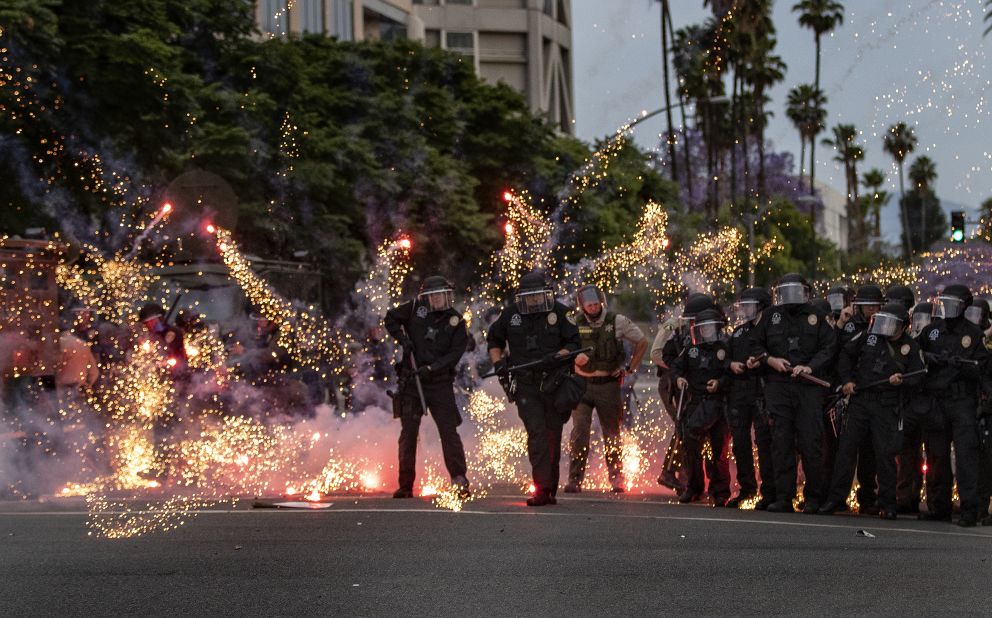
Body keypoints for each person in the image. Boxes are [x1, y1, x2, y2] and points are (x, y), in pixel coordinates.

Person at [819, 303, 925, 519]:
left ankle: (887, 503)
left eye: (892, 324)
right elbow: (845, 355)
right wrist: (847, 380)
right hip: (860, 400)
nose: (886, 327)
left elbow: (919, 374)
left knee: (885, 455)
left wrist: (901, 380)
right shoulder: (869, 336)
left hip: (886, 404)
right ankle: (836, 498)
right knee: (846, 450)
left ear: (903, 326)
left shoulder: (910, 347)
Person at [488, 270, 581, 506]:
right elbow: (494, 340)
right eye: (529, 297)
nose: (534, 300)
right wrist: (498, 363)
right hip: (526, 384)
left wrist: (558, 356)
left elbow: (574, 343)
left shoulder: (560, 313)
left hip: (554, 380)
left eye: (538, 296)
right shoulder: (510, 315)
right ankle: (541, 488)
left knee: (553, 434)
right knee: (537, 434)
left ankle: (550, 489)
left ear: (546, 294)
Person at [749, 273, 837, 513]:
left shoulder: (816, 316)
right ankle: (783, 497)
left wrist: (810, 366)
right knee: (781, 442)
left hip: (808, 387)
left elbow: (829, 347)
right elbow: (755, 344)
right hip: (778, 386)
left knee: (811, 443)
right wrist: (770, 360)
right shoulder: (769, 316)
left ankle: (813, 498)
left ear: (806, 292)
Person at [384, 275, 471, 499]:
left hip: (440, 384)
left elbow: (454, 355)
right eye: (432, 296)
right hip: (412, 382)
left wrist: (432, 368)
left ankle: (459, 478)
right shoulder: (414, 309)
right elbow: (390, 318)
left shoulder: (456, 321)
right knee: (408, 433)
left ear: (447, 295)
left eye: (440, 295)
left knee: (449, 432)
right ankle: (405, 484)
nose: (437, 300)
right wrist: (403, 340)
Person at [916, 284, 989, 526]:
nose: (946, 308)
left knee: (966, 457)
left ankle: (969, 510)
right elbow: (913, 352)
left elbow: (982, 368)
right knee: (937, 457)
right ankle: (939, 507)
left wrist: (963, 366)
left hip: (962, 402)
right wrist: (928, 358)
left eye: (951, 303)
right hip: (937, 401)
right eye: (943, 302)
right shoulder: (932, 331)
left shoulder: (974, 334)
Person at [564, 284, 647, 493]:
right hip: (582, 386)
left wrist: (630, 368)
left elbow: (642, 341)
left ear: (601, 302)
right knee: (579, 433)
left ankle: (617, 478)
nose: (592, 307)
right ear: (582, 306)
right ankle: (574, 479)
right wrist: (573, 359)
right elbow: (560, 349)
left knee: (612, 433)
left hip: (608, 386)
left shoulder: (617, 321)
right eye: (588, 304)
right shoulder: (573, 323)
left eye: (595, 303)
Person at [650, 293, 716, 493]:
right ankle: (669, 472)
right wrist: (678, 371)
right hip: (673, 383)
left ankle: (687, 477)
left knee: (694, 428)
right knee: (683, 426)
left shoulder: (709, 327)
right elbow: (656, 354)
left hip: (692, 384)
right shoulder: (676, 327)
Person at [671, 308, 731, 505]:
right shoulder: (691, 349)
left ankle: (720, 492)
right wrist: (679, 378)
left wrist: (720, 383)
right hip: (695, 403)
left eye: (709, 327)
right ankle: (694, 488)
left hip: (719, 404)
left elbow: (732, 372)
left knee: (718, 450)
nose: (705, 331)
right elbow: (677, 367)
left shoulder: (726, 347)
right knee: (691, 449)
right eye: (702, 328)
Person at [726, 287, 776, 509]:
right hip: (740, 392)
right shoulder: (738, 332)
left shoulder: (773, 331)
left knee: (765, 442)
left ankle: (770, 491)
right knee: (740, 443)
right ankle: (746, 489)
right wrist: (731, 364)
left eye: (749, 305)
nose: (745, 309)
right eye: (743, 305)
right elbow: (724, 355)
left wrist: (762, 362)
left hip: (764, 392)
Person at [896, 301, 934, 514]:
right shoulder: (909, 342)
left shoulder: (937, 341)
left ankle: (928, 499)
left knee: (931, 455)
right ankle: (906, 498)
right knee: (907, 453)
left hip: (930, 404)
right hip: (911, 403)